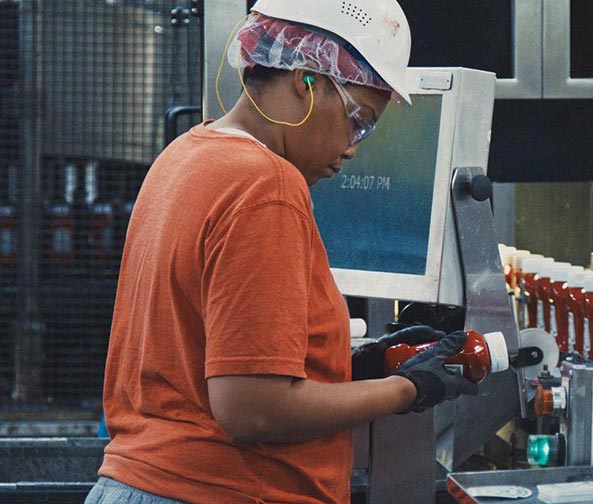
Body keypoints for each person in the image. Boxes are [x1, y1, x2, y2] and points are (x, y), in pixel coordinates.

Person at [85, 1, 478, 503]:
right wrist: (410, 389)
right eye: (359, 119)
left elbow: (202, 355)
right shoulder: (267, 185)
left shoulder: (184, 155)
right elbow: (253, 409)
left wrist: (359, 365)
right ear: (306, 79)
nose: (355, 146)